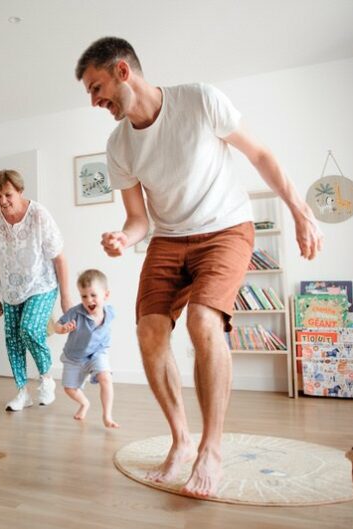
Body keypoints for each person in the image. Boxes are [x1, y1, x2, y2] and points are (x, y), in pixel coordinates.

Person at [75, 37, 323, 497]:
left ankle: (211, 448)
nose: (94, 101)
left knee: (204, 322)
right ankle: (182, 441)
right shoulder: (118, 145)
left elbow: (261, 155)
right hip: (168, 238)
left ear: (123, 71)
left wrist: (300, 211)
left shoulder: (199, 100)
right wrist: (121, 237)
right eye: (89, 93)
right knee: (150, 331)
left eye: (97, 87)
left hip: (227, 228)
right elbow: (138, 219)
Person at [0, 169, 72, 411]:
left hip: (42, 284)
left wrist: (66, 297)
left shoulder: (38, 214)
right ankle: (22, 392)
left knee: (30, 330)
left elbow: (59, 258)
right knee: (12, 340)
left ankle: (46, 378)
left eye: (8, 195)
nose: (3, 201)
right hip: (10, 289)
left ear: (20, 191)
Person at [54, 269, 119, 428]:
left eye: (93, 295)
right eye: (84, 296)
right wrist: (62, 329)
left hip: (97, 353)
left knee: (106, 378)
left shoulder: (110, 312)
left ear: (106, 295)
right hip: (74, 356)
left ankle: (107, 416)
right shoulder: (75, 312)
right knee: (69, 388)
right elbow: (57, 325)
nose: (89, 300)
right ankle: (84, 403)